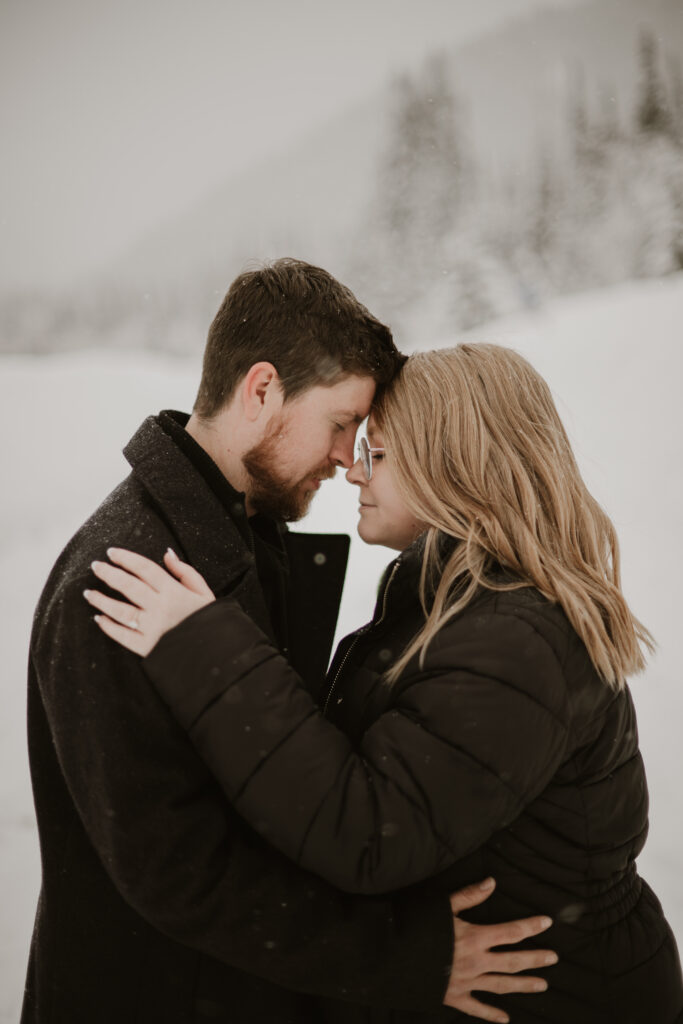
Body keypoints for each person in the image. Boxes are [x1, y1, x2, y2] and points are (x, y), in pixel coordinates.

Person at [88, 343, 683, 1024]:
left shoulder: (514, 639)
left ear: (451, 465)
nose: (352, 473)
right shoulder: (451, 600)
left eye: (379, 454)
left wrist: (207, 649)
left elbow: (365, 832)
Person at [25, 263, 554, 1024]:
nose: (349, 459)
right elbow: (176, 871)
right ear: (262, 389)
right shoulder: (126, 573)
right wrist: (404, 958)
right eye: (341, 423)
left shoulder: (245, 535)